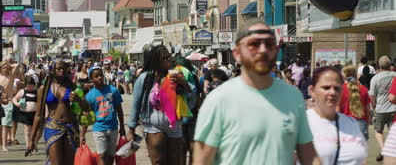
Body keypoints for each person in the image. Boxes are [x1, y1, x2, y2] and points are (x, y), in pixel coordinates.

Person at [193, 19, 319, 164]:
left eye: (269, 44)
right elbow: (202, 160)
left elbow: (309, 155)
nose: (263, 50)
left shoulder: (293, 97)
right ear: (237, 53)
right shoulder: (218, 100)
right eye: (254, 44)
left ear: (276, 50)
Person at [127, 45, 194, 164]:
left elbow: (190, 95)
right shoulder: (145, 78)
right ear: (157, 60)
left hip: (175, 126)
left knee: (175, 162)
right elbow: (136, 103)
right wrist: (131, 129)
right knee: (158, 161)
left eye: (170, 57)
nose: (170, 59)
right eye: (166, 58)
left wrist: (182, 82)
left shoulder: (176, 75)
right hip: (153, 126)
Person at [29, 60, 90, 165]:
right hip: (52, 127)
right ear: (52, 71)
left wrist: (78, 100)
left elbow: (87, 108)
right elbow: (38, 114)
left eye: (64, 68)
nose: (62, 71)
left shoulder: (73, 87)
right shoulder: (43, 89)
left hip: (70, 127)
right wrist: (32, 139)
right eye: (59, 69)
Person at [307, 66, 368, 164]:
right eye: (326, 87)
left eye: (337, 88)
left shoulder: (352, 123)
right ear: (312, 91)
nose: (332, 92)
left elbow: (362, 160)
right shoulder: (302, 122)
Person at [82, 66, 125, 165]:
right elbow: (88, 116)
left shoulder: (113, 90)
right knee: (101, 155)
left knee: (111, 155)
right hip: (99, 129)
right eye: (96, 76)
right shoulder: (90, 96)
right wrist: (82, 134)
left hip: (113, 128)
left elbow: (120, 111)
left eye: (100, 75)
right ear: (91, 79)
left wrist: (122, 127)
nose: (99, 78)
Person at [369, 55, 396, 162]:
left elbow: (372, 95)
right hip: (394, 108)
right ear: (390, 65)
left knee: (378, 131)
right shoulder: (395, 75)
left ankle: (384, 150)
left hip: (380, 109)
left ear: (379, 66)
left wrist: (374, 106)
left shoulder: (375, 78)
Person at [338, 65, 371, 141]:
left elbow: (337, 111)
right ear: (355, 74)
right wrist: (367, 123)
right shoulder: (363, 89)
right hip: (361, 124)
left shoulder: (339, 90)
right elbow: (368, 110)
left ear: (343, 76)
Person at [12, 76, 38, 152]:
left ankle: (34, 144)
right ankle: (28, 147)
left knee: (34, 131)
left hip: (34, 114)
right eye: (28, 85)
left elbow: (41, 102)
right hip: (24, 114)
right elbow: (14, 99)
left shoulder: (37, 91)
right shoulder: (22, 91)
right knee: (27, 131)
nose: (30, 87)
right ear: (25, 85)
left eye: (31, 85)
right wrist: (17, 104)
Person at [0, 61, 15, 152]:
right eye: (3, 68)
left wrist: (8, 65)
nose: (6, 69)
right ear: (0, 68)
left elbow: (17, 65)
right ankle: (0, 142)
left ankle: (4, 145)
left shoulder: (11, 76)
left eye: (7, 68)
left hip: (8, 102)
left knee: (5, 125)